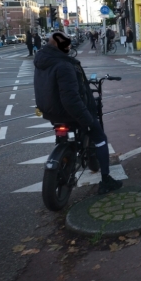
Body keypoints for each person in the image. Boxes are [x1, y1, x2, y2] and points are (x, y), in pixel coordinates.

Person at [33, 31, 122, 194]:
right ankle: (106, 179)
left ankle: (64, 153)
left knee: (64, 135)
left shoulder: (42, 61)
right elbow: (70, 100)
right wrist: (87, 119)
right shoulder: (64, 65)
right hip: (68, 112)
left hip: (50, 111)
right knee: (100, 138)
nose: (69, 45)